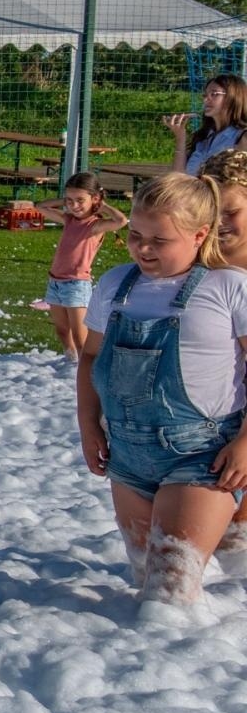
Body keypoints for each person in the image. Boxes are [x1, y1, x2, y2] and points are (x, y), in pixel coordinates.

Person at [77, 173, 247, 614]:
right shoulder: (115, 284)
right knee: (144, 575)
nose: (144, 248)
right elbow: (91, 358)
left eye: (160, 239)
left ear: (199, 234)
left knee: (169, 595)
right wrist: (88, 427)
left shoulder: (228, 287)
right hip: (128, 456)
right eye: (136, 235)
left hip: (202, 455)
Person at [196, 148, 247, 573]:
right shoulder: (196, 264)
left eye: (231, 211)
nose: (220, 223)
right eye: (212, 211)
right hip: (209, 419)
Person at [36, 172, 127, 363]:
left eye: (79, 200)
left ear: (94, 199)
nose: (74, 205)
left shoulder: (95, 225)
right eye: (69, 200)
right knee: (62, 329)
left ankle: (86, 367)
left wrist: (104, 206)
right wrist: (66, 200)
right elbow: (40, 206)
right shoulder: (69, 220)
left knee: (80, 335)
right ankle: (71, 361)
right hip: (55, 282)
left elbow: (121, 221)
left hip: (76, 284)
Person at [165, 74, 247, 176]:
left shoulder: (241, 137)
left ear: (233, 97)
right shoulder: (203, 137)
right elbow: (179, 177)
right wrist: (180, 137)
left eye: (214, 94)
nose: (206, 100)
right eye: (205, 95)